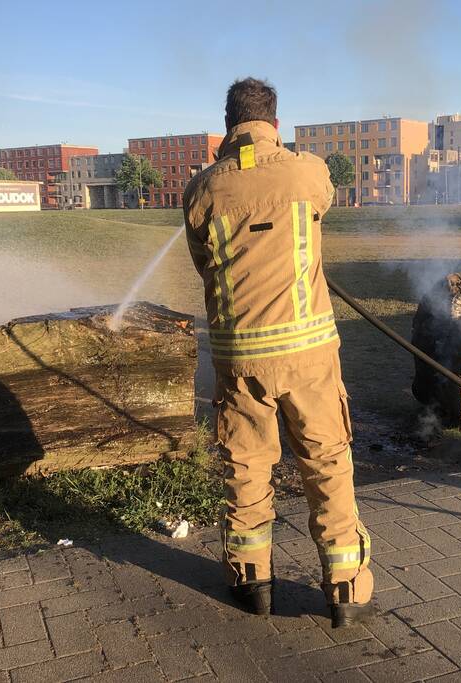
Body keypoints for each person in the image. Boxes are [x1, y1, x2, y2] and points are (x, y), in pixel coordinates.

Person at [182, 78, 374, 628]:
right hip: (310, 355)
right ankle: (346, 591)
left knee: (245, 468)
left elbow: (206, 264)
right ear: (275, 123)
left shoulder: (202, 189)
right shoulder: (307, 171)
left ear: (227, 124)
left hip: (239, 358)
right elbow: (320, 207)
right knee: (328, 465)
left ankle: (251, 584)